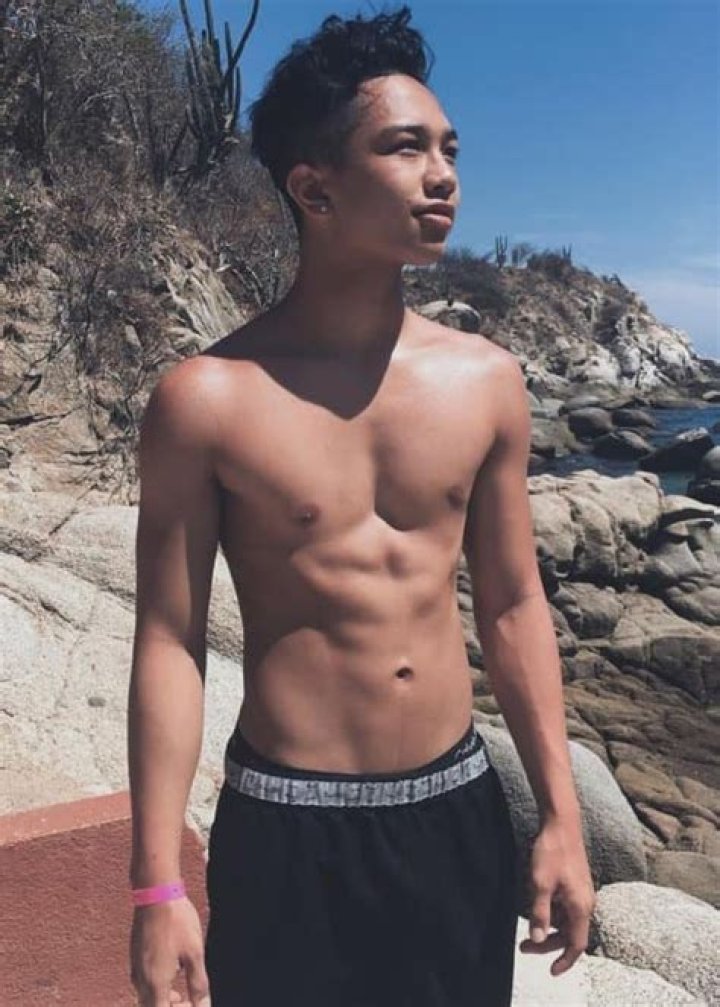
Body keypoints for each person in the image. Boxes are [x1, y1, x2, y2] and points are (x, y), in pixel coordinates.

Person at [127, 6, 596, 1006]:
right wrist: (158, 882)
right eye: (405, 147)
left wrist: (563, 814)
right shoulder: (206, 400)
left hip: (455, 811)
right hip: (286, 830)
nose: (443, 175)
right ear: (315, 188)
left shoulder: (487, 381)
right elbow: (168, 638)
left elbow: (513, 603)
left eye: (450, 149)